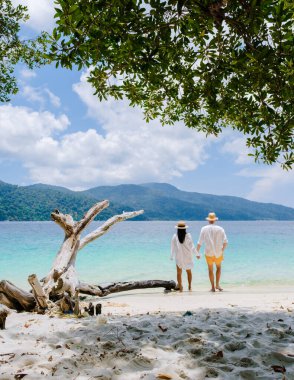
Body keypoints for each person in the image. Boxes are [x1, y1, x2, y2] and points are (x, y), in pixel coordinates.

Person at [196, 212, 228, 292]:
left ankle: (213, 287)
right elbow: (225, 242)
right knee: (218, 268)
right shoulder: (220, 229)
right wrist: (222, 250)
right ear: (215, 220)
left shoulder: (203, 229)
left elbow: (200, 242)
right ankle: (217, 284)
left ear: (208, 220)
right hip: (218, 253)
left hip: (208, 253)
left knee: (210, 270)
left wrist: (197, 252)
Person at [171, 221, 200, 292]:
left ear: (177, 229)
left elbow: (173, 247)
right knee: (189, 271)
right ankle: (189, 286)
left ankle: (180, 287)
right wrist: (197, 254)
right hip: (187, 256)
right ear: (185, 229)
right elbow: (192, 246)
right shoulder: (188, 236)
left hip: (179, 257)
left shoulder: (175, 236)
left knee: (178, 273)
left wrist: (171, 256)